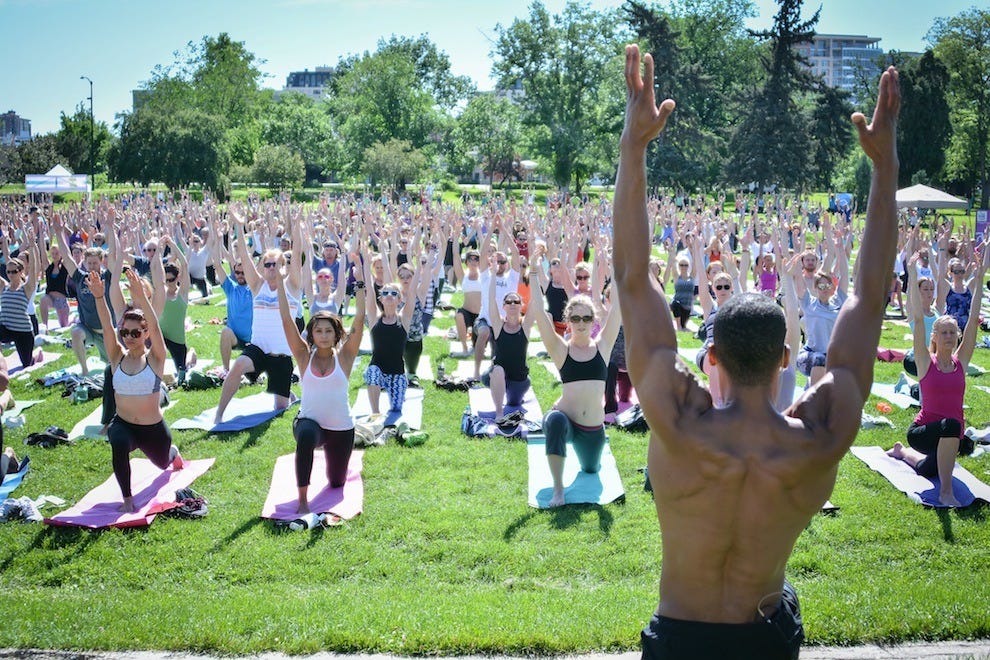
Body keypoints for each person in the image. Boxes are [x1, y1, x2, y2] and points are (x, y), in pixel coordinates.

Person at [613, 45, 899, 659]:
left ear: (708, 356)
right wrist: (884, 168)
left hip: (681, 641)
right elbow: (870, 299)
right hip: (765, 643)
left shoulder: (678, 420)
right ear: (786, 357)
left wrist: (632, 148)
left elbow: (634, 278)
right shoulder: (819, 436)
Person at [887, 246, 987, 507]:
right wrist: (910, 272)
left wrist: (982, 274)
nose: (949, 337)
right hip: (922, 432)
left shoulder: (960, 362)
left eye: (952, 333)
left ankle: (900, 452)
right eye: (943, 332)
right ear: (935, 337)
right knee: (952, 426)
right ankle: (945, 493)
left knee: (926, 468)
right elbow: (919, 320)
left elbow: (974, 316)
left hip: (949, 435)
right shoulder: (924, 361)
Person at [529, 228, 622, 507]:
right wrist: (534, 270)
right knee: (555, 422)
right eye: (576, 318)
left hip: (593, 429)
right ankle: (559, 489)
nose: (581, 323)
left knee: (591, 470)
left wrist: (615, 268)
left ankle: (585, 459)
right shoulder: (561, 349)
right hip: (566, 419)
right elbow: (538, 311)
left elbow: (617, 306)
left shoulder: (602, 346)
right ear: (568, 320)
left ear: (592, 319)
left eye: (586, 318)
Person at [276, 254, 366, 514]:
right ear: (312, 334)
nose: (324, 336)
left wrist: (359, 283)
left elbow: (359, 319)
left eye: (329, 331)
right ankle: (303, 499)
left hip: (341, 429)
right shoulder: (304, 356)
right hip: (310, 424)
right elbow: (285, 320)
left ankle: (335, 461)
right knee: (304, 435)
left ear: (336, 333)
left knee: (337, 483)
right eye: (319, 331)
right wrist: (281, 283)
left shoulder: (346, 357)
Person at [90, 268, 183, 513]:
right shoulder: (116, 356)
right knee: (117, 441)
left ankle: (172, 453)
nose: (129, 337)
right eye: (125, 332)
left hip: (152, 430)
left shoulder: (155, 359)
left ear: (145, 334)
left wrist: (141, 297)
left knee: (163, 464)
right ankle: (128, 498)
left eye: (135, 333)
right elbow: (107, 327)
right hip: (123, 424)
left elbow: (155, 325)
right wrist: (100, 298)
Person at [214, 212, 303, 425]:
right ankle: (219, 415)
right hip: (258, 349)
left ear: (283, 266)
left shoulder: (292, 285)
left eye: (275, 264)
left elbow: (298, 253)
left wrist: (297, 226)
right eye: (267, 264)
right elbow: (244, 257)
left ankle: (288, 396)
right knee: (237, 367)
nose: (270, 268)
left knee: (280, 408)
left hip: (281, 356)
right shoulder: (257, 285)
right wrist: (239, 225)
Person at [483, 264, 536, 422]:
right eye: (509, 302)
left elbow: (536, 301)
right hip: (500, 374)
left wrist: (534, 271)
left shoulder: (525, 326)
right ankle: (499, 414)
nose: (512, 304)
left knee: (514, 402)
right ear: (504, 306)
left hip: (519, 380)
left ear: (521, 306)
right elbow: (490, 299)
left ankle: (511, 397)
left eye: (516, 302)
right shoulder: (499, 325)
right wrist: (493, 275)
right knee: (497, 369)